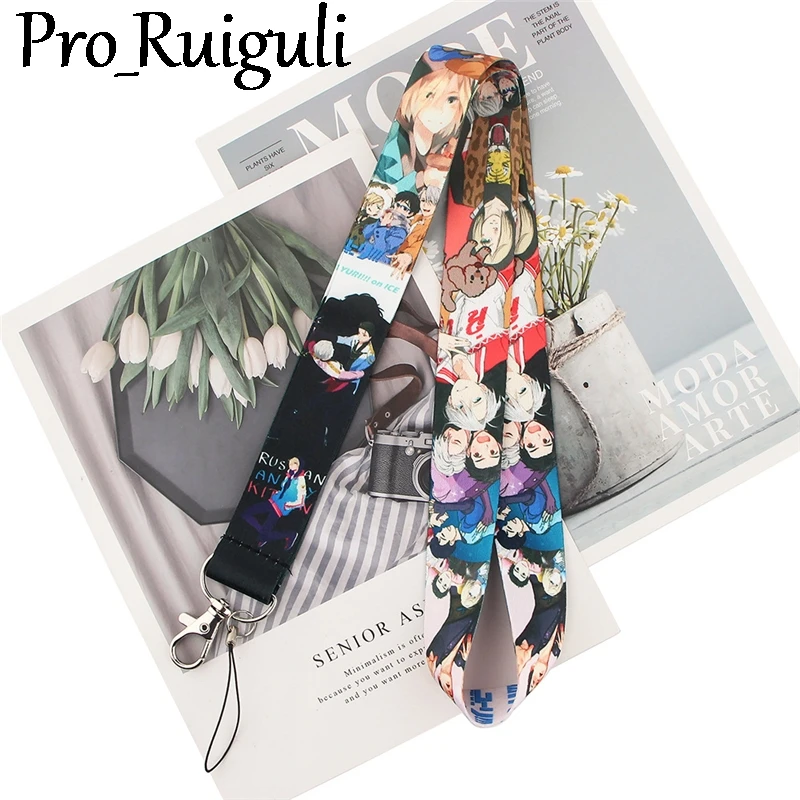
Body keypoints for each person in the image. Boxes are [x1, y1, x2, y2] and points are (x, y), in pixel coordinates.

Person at [241, 457, 307, 550]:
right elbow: (284, 489)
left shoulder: (300, 481)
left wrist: (288, 505)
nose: (291, 465)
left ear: (299, 466)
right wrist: (277, 493)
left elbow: (301, 502)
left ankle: (281, 535)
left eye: (294, 463)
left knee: (262, 535)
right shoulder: (289, 475)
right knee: (246, 514)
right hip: (273, 501)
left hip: (280, 508)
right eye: (291, 463)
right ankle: (266, 535)